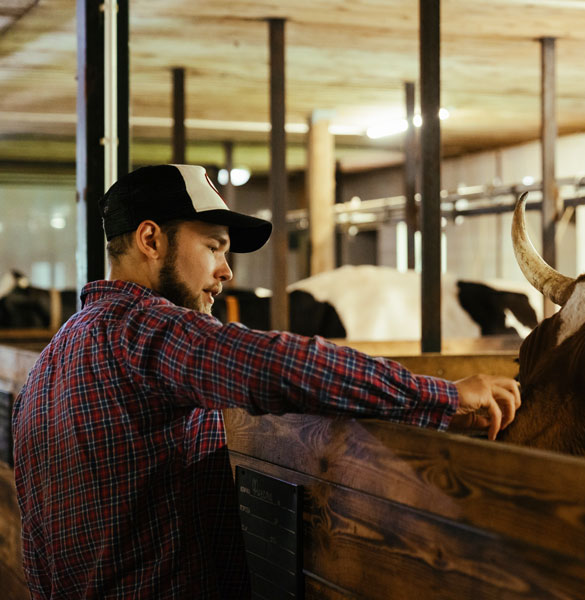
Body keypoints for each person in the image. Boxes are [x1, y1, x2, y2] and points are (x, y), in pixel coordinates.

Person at [12, 164, 521, 599]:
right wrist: (443, 395)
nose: (226, 270)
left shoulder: (53, 359)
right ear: (151, 240)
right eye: (214, 247)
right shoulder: (147, 331)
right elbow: (279, 367)